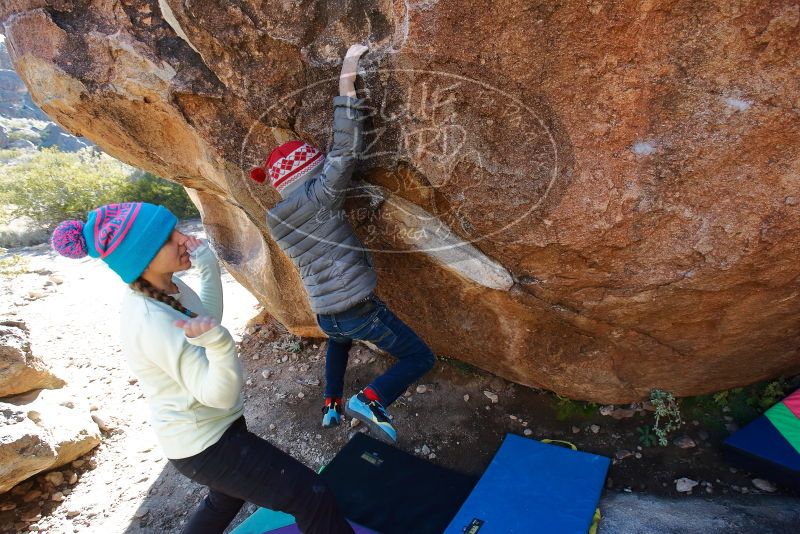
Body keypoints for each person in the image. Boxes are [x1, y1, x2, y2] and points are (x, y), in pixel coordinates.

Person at [51, 202, 353, 534]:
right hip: (206, 444)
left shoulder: (165, 288)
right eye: (168, 237)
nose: (184, 238)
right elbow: (218, 395)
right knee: (312, 497)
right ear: (141, 257)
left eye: (177, 228)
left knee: (225, 499)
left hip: (212, 432)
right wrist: (221, 343)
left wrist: (208, 269)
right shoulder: (152, 321)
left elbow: (206, 321)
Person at [249, 43, 436, 443]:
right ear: (309, 173)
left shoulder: (275, 218)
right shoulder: (321, 194)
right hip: (356, 306)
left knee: (338, 342)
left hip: (325, 311)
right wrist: (346, 76)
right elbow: (345, 148)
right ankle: (370, 399)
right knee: (419, 356)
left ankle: (331, 404)